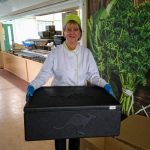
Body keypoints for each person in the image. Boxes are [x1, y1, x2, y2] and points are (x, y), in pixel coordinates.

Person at [26, 13, 114, 150]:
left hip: (79, 100)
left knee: (76, 132)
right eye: (69, 29)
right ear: (64, 32)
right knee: (60, 134)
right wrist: (33, 85)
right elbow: (45, 74)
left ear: (80, 33)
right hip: (59, 99)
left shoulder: (86, 53)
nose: (72, 32)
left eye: (75, 29)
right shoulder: (55, 53)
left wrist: (105, 84)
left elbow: (93, 76)